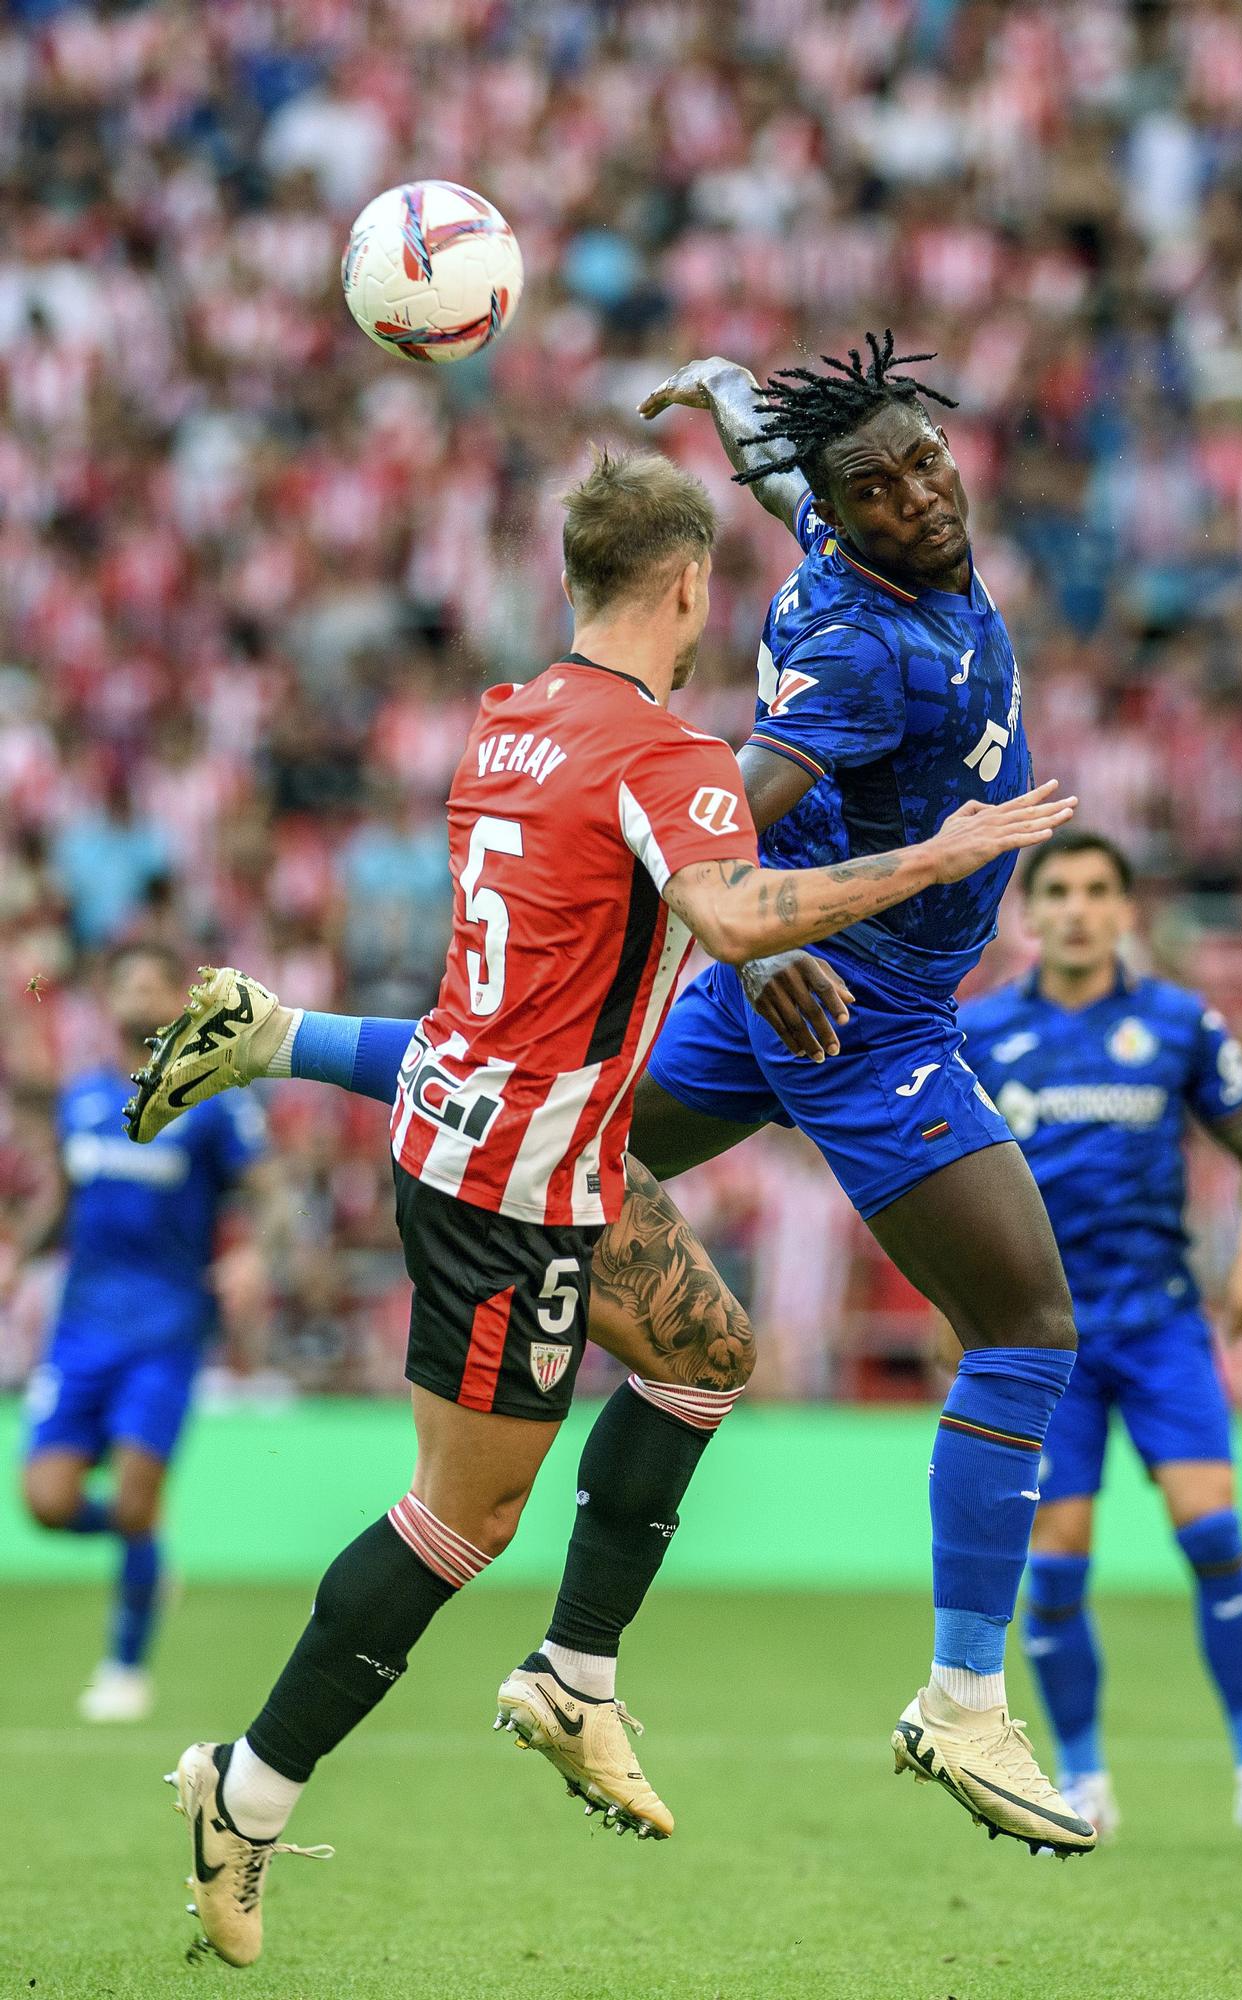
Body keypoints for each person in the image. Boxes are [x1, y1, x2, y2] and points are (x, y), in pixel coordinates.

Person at [136, 339, 1100, 1871]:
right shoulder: (856, 647)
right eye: (879, 487)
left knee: (559, 1110)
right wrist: (789, 903)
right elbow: (729, 802)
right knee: (1031, 1327)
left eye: (924, 460)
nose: (920, 493)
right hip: (865, 1018)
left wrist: (735, 406)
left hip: (780, 999)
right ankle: (962, 1698)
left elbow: (803, 488)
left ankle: (282, 1034)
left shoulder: (862, 537)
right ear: (836, 526)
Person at [958, 829, 1242, 1850]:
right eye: (1058, 891)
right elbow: (934, 1181)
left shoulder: (1177, 1024)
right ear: (1030, 913)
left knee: (1212, 1532)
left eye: (1096, 890)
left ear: (1126, 909)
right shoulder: (980, 1033)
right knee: (1061, 1562)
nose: (1076, 907)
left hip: (1162, 1324)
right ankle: (1082, 1780)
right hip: (1046, 1341)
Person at [16, 942, 272, 1721]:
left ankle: (125, 1669)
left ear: (178, 1005)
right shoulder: (83, 1097)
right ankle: (151, 1562)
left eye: (152, 983)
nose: (137, 993)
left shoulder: (216, 1105)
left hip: (165, 1327)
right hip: (80, 1329)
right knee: (48, 1503)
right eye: (124, 980)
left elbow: (270, 1190)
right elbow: (60, 1200)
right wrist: (15, 1255)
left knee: (134, 1501)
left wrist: (254, 1253)